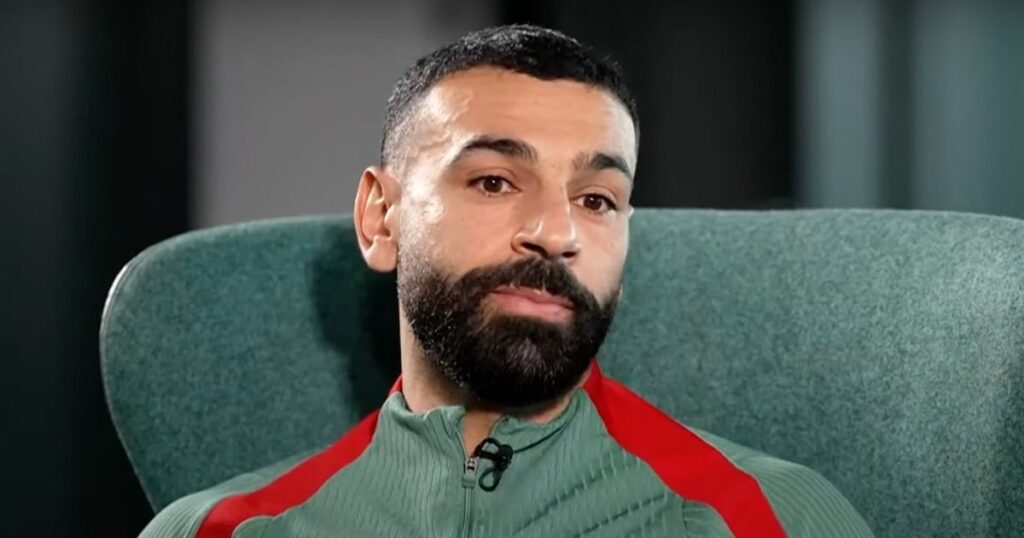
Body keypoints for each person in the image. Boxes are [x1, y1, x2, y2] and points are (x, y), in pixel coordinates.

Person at [141, 24, 873, 538]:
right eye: (494, 181)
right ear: (381, 218)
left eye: (597, 200)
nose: (557, 234)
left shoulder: (774, 518)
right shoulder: (214, 531)